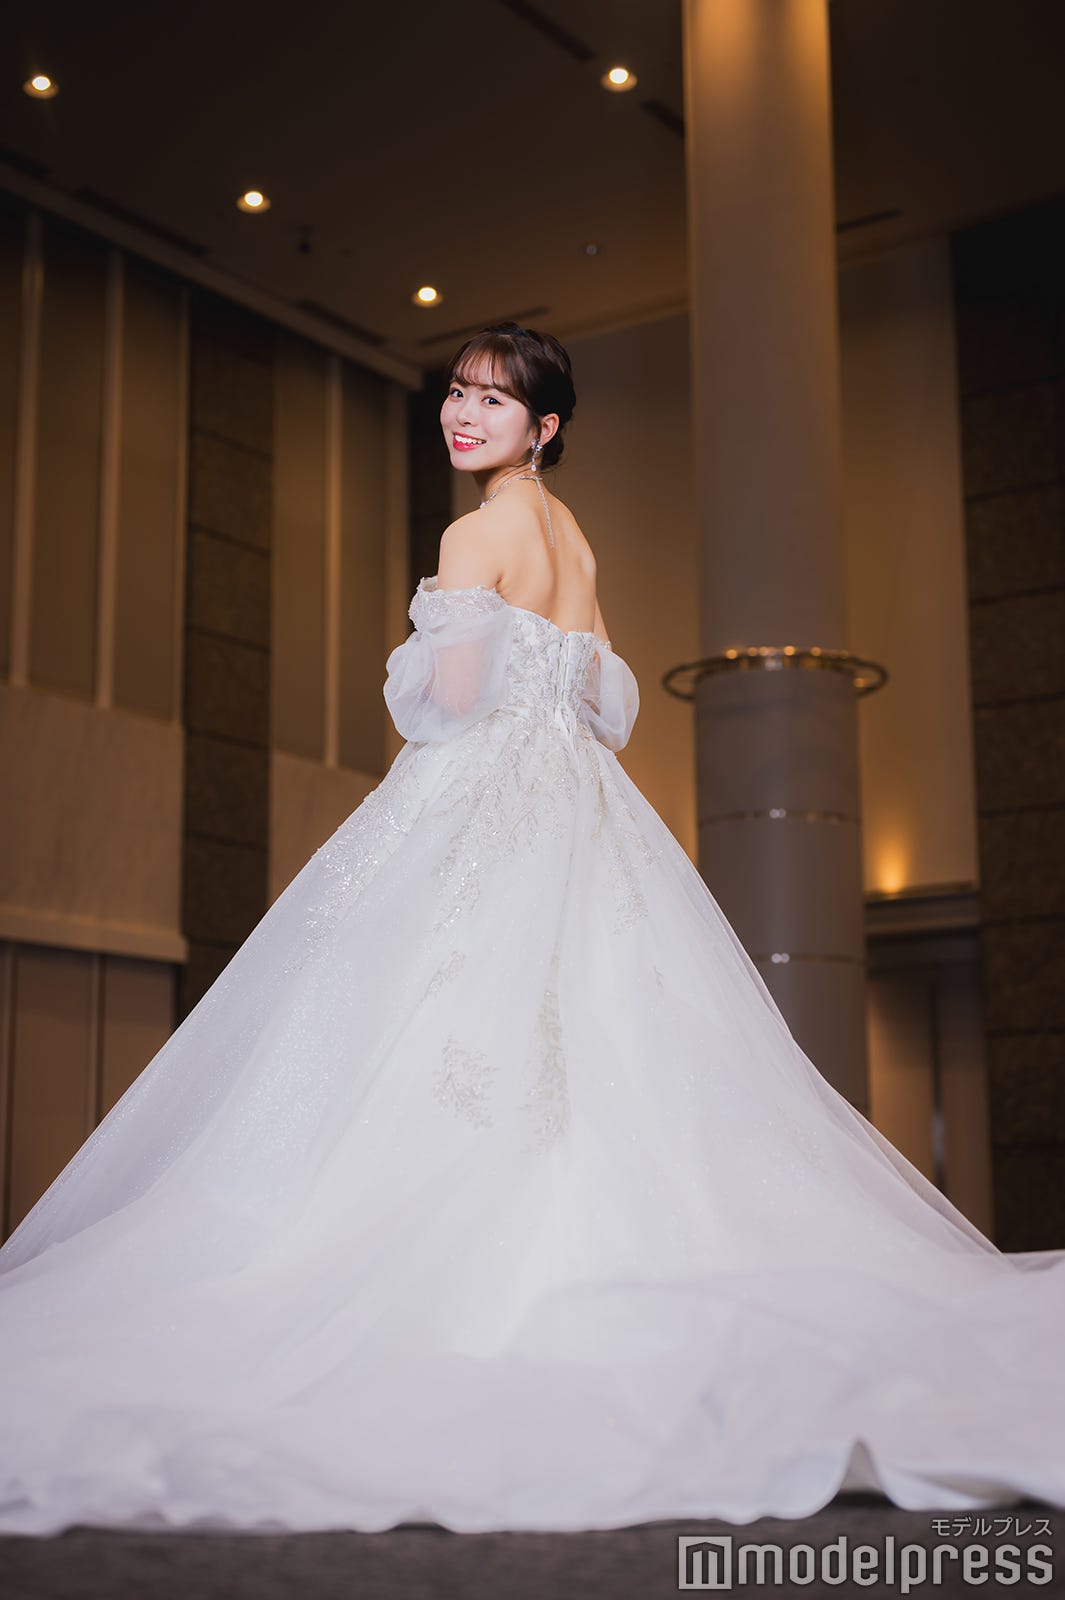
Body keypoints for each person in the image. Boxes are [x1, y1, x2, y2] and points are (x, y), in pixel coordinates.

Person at [0, 322, 1062, 1538]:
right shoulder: (573, 536)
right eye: (457, 392)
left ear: (542, 427)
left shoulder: (473, 536)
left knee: (422, 1022)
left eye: (493, 402)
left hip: (479, 799)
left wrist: (420, 663)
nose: (464, 415)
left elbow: (449, 703)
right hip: (583, 808)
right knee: (609, 1037)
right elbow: (609, 701)